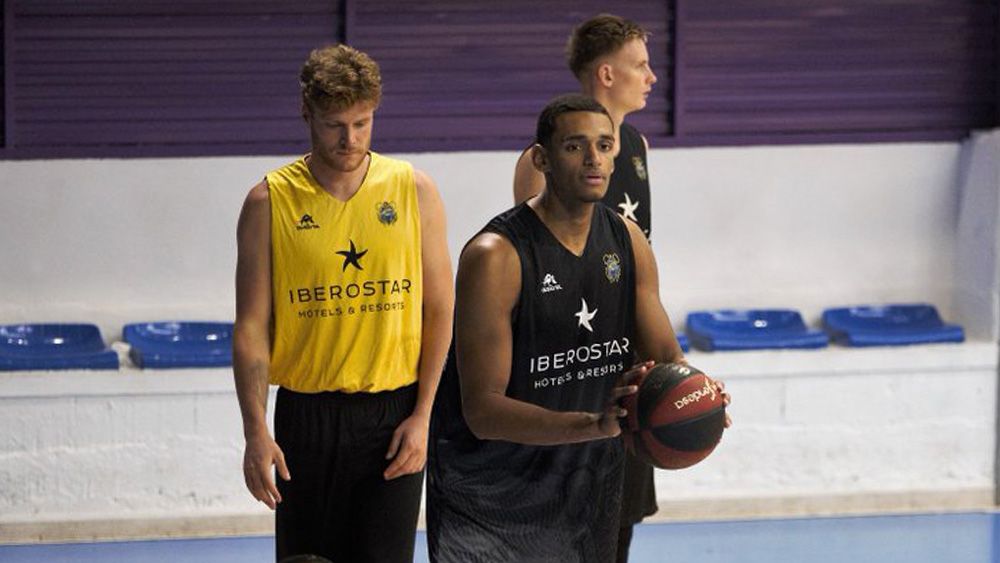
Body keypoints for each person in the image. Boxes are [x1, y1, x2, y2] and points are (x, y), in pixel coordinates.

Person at [427, 94, 725, 562]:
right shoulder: (496, 256)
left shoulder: (627, 239)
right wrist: (593, 424)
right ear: (541, 159)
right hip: (489, 497)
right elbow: (483, 411)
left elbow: (667, 357)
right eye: (574, 146)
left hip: (585, 485)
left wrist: (697, 392)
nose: (593, 159)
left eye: (604, 146)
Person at [233, 44, 453, 563]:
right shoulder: (269, 201)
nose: (349, 139)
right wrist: (255, 430)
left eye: (362, 123)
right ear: (306, 113)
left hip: (394, 414)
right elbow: (250, 328)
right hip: (305, 414)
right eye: (334, 124)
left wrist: (425, 415)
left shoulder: (414, 190)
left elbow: (440, 310)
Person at [513, 16, 660, 561]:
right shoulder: (539, 161)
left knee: (618, 525)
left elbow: (642, 274)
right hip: (568, 370)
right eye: (640, 65)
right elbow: (531, 272)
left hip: (626, 365)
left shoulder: (637, 145)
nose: (651, 77)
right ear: (607, 74)